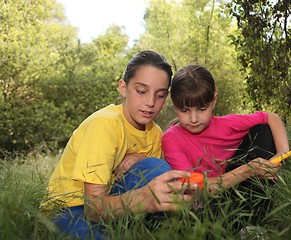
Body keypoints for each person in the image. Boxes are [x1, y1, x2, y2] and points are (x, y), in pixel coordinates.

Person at [43, 51, 198, 240]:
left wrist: (143, 159)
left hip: (116, 205)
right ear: (123, 88)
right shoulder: (103, 126)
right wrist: (143, 198)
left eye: (160, 95)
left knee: (155, 168)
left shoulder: (156, 134)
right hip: (71, 208)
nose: (150, 103)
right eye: (141, 91)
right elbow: (93, 209)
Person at [162, 64, 289, 225]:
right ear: (174, 104)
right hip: (204, 204)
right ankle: (239, 226)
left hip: (238, 192)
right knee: (198, 208)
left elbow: (271, 117)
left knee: (262, 130)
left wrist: (282, 153)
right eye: (185, 110)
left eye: (202, 109)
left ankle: (255, 223)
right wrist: (249, 169)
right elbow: (197, 188)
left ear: (213, 101)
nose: (193, 119)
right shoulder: (171, 138)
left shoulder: (226, 124)